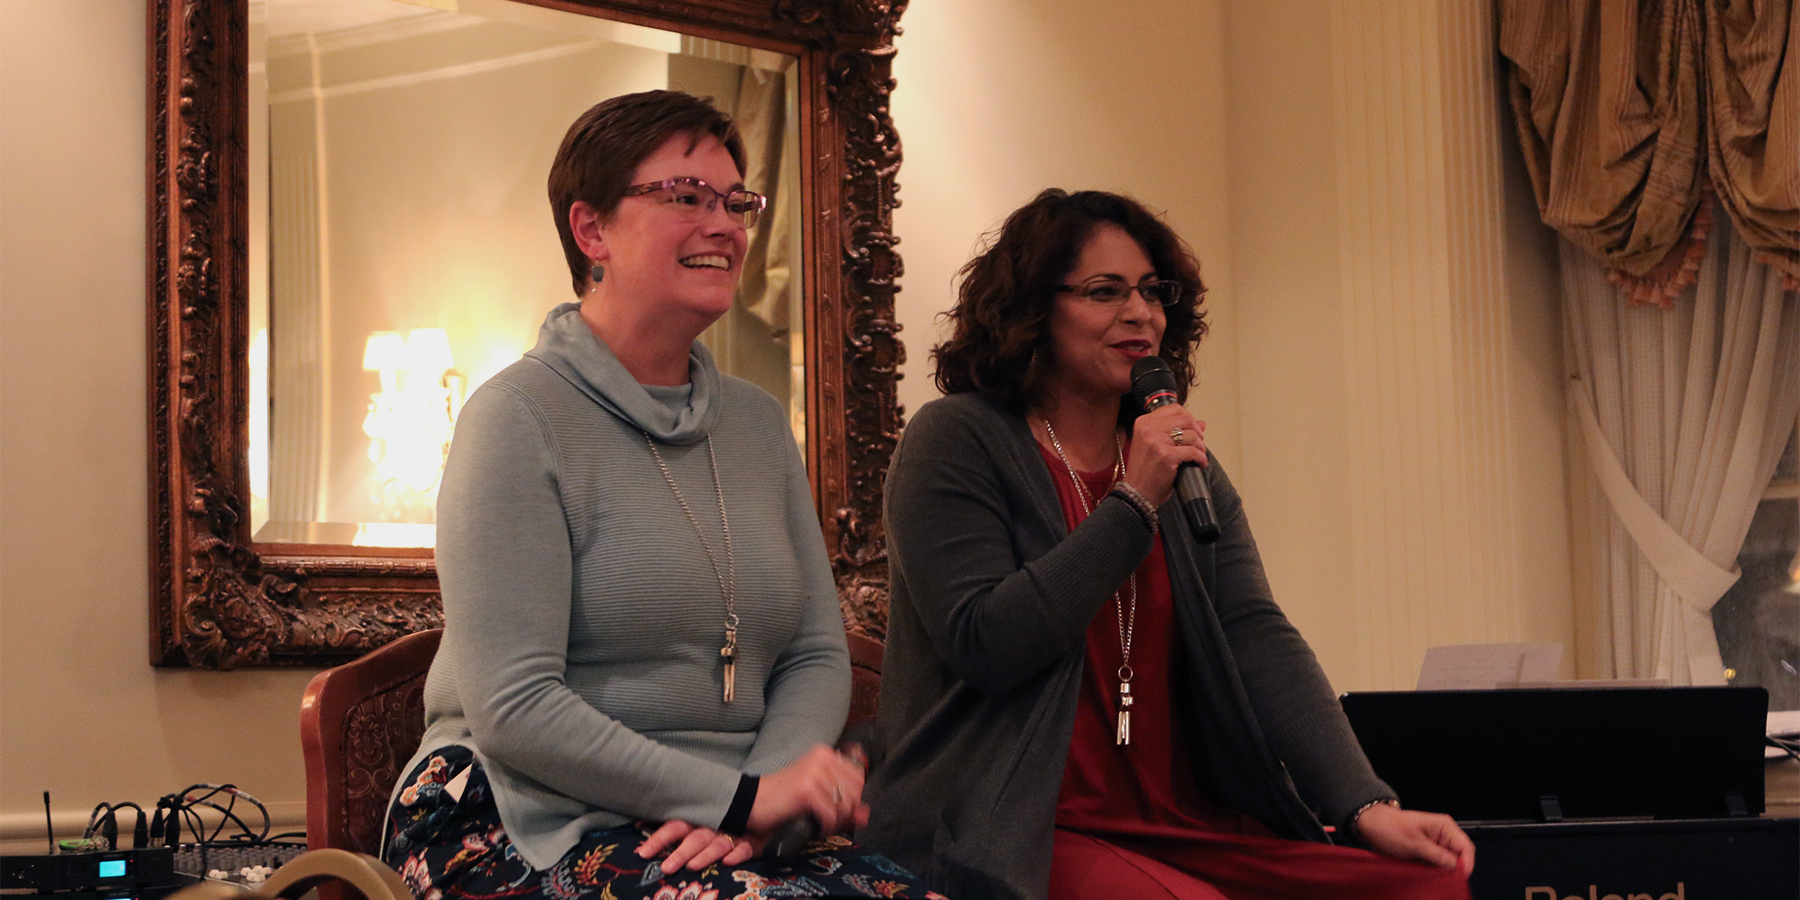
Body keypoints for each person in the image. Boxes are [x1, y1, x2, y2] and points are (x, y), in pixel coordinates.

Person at [383, 90, 942, 900]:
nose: (725, 225)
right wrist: (738, 798)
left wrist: (756, 795)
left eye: (735, 202)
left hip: (717, 816)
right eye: (686, 198)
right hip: (520, 812)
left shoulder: (755, 424)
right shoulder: (513, 417)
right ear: (591, 230)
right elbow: (516, 706)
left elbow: (817, 652)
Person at [863, 188, 1476, 900]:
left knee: (1425, 887)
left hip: (1179, 817)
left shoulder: (1183, 462)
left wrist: (1366, 805)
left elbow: (1255, 635)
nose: (1140, 313)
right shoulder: (956, 439)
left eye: (1153, 292)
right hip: (1011, 824)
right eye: (1104, 291)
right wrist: (1131, 503)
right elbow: (986, 644)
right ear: (1033, 307)